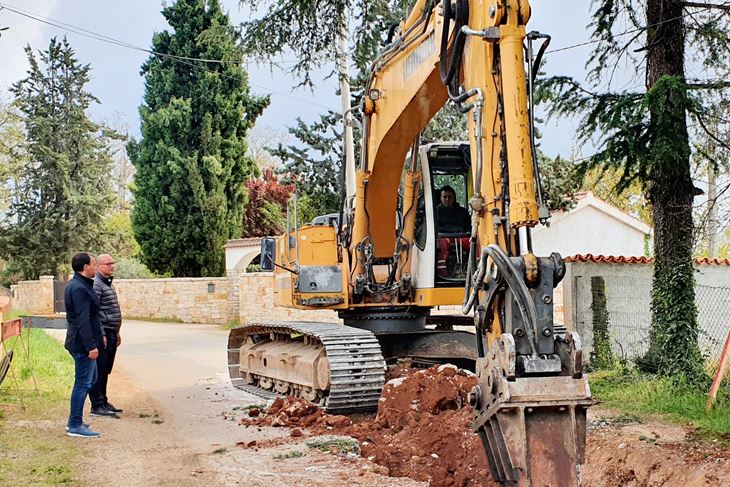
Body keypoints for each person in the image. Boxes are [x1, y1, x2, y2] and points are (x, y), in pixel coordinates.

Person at [64, 252, 103, 438]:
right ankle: (75, 424)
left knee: (91, 379)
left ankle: (74, 418)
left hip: (85, 342)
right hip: (82, 345)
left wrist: (100, 335)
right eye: (94, 263)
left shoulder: (82, 284)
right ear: (85, 267)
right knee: (82, 383)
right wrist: (90, 346)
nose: (96, 267)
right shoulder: (78, 288)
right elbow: (82, 320)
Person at [89, 254, 123, 417]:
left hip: (111, 332)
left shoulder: (108, 284)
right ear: (98, 266)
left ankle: (103, 401)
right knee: (99, 369)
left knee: (105, 370)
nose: (112, 266)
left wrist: (116, 332)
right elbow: (95, 312)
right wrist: (101, 333)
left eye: (112, 263)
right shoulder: (97, 284)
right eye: (108, 264)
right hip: (103, 334)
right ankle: (97, 404)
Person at [436, 185, 471, 278]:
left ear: (454, 197)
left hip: (461, 236)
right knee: (441, 243)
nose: (447, 199)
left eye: (450, 197)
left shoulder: (462, 211)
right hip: (444, 237)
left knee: (473, 242)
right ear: (440, 198)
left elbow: (469, 226)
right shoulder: (435, 212)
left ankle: (473, 268)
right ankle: (442, 273)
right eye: (445, 197)